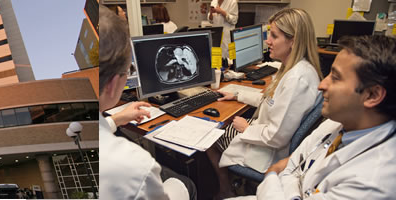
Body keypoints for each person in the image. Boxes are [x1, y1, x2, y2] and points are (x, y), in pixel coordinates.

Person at [234, 35, 396, 199]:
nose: (321, 85)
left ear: (372, 95)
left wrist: (272, 176)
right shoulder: (339, 122)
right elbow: (292, 165)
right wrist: (288, 185)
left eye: (336, 77)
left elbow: (282, 169)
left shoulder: (373, 183)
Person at [210, 8, 322, 198]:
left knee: (211, 134)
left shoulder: (297, 79)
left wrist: (246, 128)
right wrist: (237, 95)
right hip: (267, 132)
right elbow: (272, 101)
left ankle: (225, 188)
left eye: (274, 36)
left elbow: (276, 136)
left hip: (270, 149)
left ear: (293, 41)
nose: (267, 41)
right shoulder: (295, 68)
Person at [98, 6, 192, 200]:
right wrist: (178, 186)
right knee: (186, 183)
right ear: (114, 83)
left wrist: (115, 119)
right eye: (128, 70)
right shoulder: (136, 164)